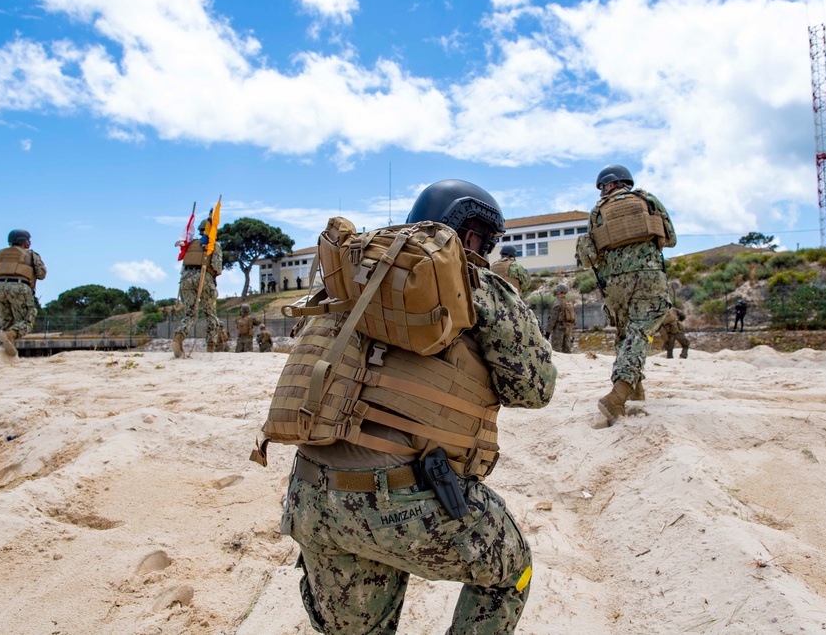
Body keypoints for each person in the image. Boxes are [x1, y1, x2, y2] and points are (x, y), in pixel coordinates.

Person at [266, 179, 556, 634]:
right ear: (467, 232)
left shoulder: (351, 276)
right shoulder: (474, 283)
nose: (486, 249)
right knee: (510, 572)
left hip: (311, 499)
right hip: (403, 503)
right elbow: (536, 389)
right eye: (483, 238)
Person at [576, 164, 676, 425]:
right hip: (649, 277)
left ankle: (636, 393)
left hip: (615, 284)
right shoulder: (647, 199)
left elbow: (589, 255)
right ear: (625, 182)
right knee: (640, 333)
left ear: (607, 186)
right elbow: (671, 238)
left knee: (626, 335)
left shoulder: (597, 211)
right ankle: (617, 396)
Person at [0, 229, 46, 357]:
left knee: (6, 323)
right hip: (19, 286)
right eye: (28, 240)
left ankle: (6, 356)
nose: (29, 243)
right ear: (23, 242)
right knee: (27, 319)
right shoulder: (31, 255)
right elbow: (41, 274)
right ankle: (10, 335)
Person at [172, 219, 224, 357]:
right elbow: (217, 267)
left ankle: (178, 337)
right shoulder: (213, 244)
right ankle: (210, 347)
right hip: (203, 278)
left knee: (190, 313)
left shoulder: (189, 245)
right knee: (210, 312)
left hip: (185, 279)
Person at [545, 283, 576, 353]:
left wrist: (547, 332)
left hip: (558, 330)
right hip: (568, 329)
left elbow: (552, 319)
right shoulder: (569, 302)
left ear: (558, 292)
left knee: (557, 351)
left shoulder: (558, 303)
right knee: (567, 350)